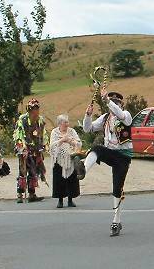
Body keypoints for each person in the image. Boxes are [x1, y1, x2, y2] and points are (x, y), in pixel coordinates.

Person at [74, 89, 132, 237]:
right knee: (97, 148)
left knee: (117, 188)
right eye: (112, 102)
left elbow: (119, 113)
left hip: (123, 156)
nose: (113, 105)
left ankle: (116, 221)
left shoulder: (126, 116)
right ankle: (84, 169)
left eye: (116, 102)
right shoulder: (105, 118)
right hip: (111, 153)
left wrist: (107, 100)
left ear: (120, 104)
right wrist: (87, 115)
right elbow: (88, 129)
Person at [13, 98, 49, 203]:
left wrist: (44, 145)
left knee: (34, 170)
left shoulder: (40, 120)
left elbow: (43, 134)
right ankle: (20, 194)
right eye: (34, 109)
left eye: (37, 109)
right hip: (24, 148)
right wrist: (22, 147)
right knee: (23, 171)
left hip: (36, 149)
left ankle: (32, 194)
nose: (36, 111)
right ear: (29, 110)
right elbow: (18, 134)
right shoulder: (22, 120)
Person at [49, 114, 82, 208]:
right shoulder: (54, 132)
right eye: (65, 122)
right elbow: (52, 146)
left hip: (71, 159)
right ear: (60, 123)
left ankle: (70, 200)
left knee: (71, 180)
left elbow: (79, 143)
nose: (67, 124)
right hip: (58, 160)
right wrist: (62, 140)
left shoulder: (72, 131)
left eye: (67, 122)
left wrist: (71, 141)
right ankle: (60, 200)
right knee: (59, 181)